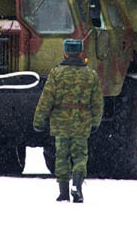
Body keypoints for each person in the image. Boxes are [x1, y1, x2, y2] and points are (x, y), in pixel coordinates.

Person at [33, 39, 103, 203]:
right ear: (80, 53)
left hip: (61, 123)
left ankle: (63, 192)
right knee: (80, 156)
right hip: (82, 122)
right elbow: (97, 102)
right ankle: (77, 186)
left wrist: (39, 121)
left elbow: (46, 100)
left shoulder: (56, 73)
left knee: (61, 157)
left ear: (65, 53)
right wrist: (95, 122)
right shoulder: (90, 75)